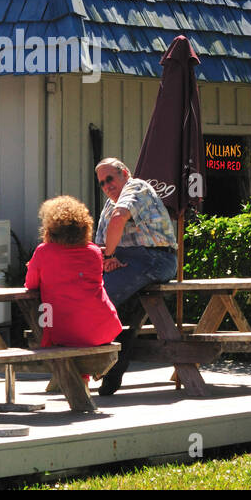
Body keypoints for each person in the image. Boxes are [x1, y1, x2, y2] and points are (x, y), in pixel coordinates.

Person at [93, 158, 179, 395]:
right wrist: (107, 259)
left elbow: (120, 218)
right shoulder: (109, 205)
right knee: (110, 307)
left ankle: (88, 365)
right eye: (101, 183)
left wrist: (109, 254)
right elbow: (100, 244)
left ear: (125, 174)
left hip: (156, 258)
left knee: (97, 302)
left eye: (110, 178)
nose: (106, 186)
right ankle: (111, 368)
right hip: (127, 262)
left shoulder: (137, 187)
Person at [25, 196, 121, 349]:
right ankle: (84, 374)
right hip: (104, 328)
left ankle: (79, 374)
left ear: (51, 229)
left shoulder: (43, 251)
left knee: (56, 341)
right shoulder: (94, 252)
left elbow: (30, 284)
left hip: (66, 331)